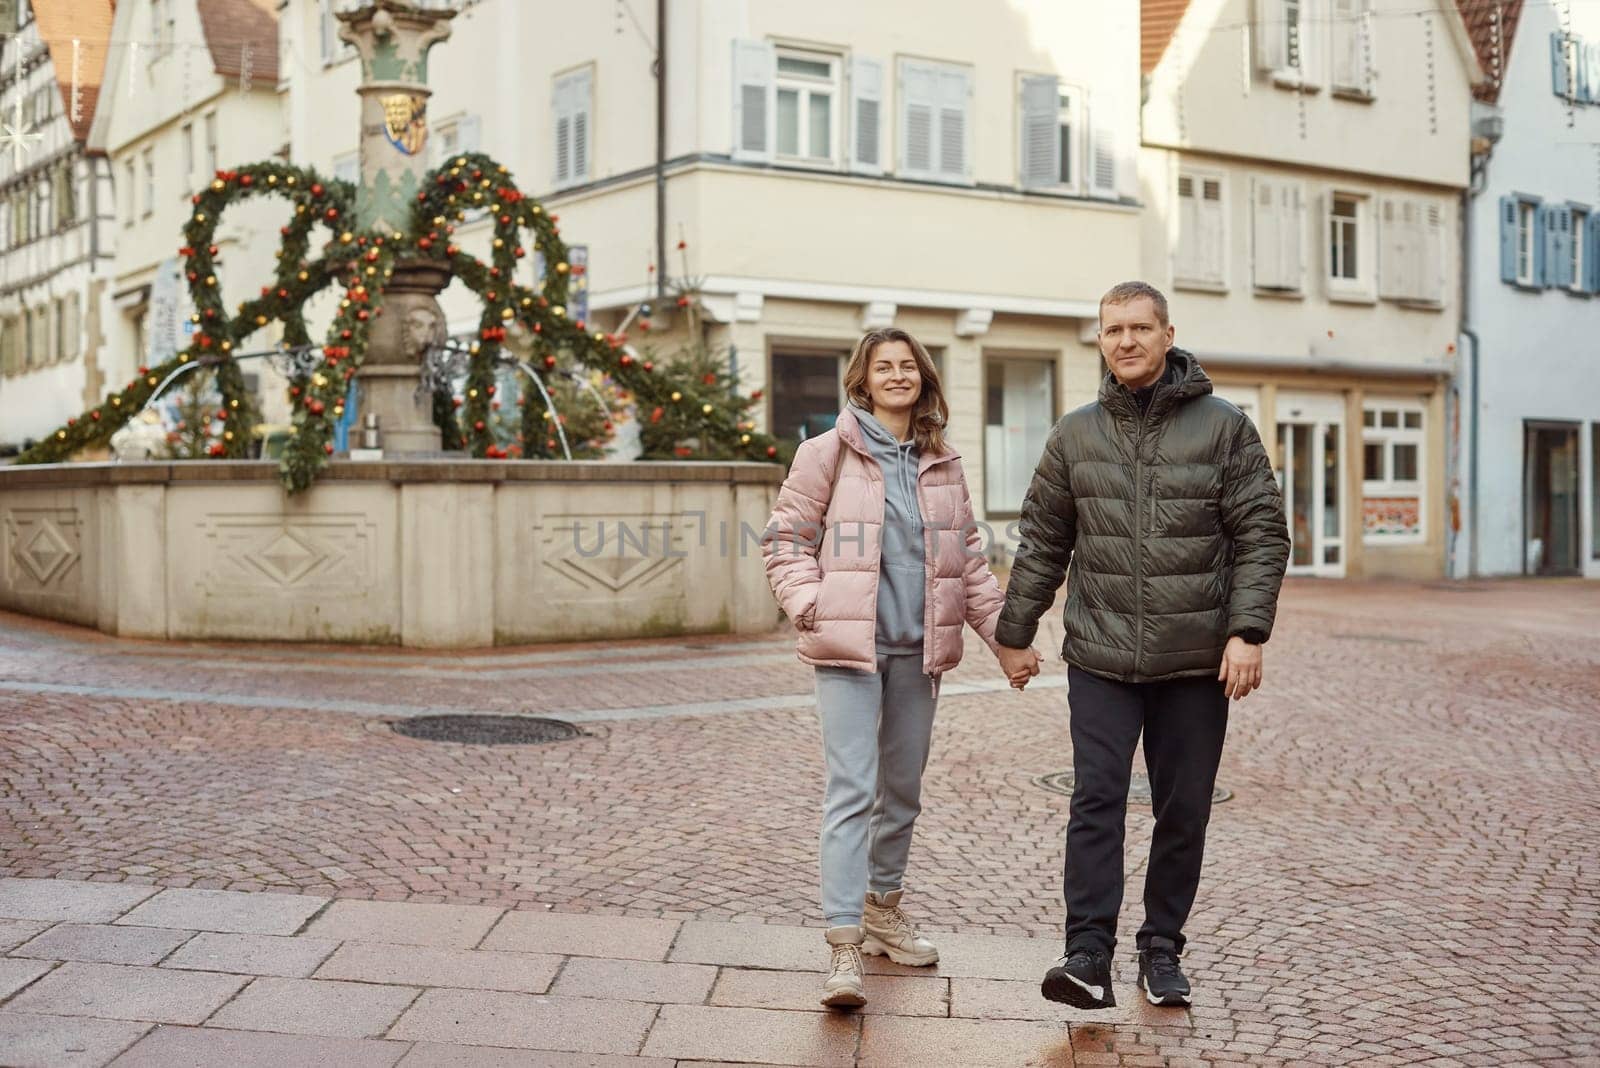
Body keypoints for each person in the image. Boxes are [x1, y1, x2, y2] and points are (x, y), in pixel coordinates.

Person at [994, 281, 1289, 1009]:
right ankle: (1087, 953)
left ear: (1167, 335)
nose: (1124, 341)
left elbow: (1262, 535)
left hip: (1195, 661)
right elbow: (1042, 542)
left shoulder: (1225, 428)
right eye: (1112, 330)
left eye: (1138, 328)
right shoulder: (1075, 434)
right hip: (1101, 656)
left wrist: (1247, 631)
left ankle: (1161, 948)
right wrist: (1014, 633)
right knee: (1096, 799)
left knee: (1182, 808)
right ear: (1100, 341)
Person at [763, 327, 1040, 1010]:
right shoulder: (825, 452)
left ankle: (884, 908)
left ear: (922, 379)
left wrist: (1007, 642)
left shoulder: (942, 464)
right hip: (848, 652)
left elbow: (968, 564)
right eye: (883, 366)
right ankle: (843, 948)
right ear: (862, 379)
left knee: (904, 791)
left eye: (907, 366)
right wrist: (811, 603)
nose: (896, 376)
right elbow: (785, 541)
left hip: (919, 653)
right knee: (852, 790)